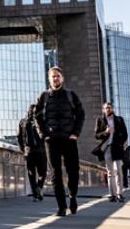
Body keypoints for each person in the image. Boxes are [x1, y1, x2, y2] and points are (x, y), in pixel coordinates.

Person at [33, 66, 85, 217]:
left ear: (62, 78)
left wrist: (76, 133)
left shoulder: (70, 95)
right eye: (53, 76)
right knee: (55, 173)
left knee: (73, 170)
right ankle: (61, 207)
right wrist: (43, 134)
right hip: (52, 140)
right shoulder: (43, 96)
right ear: (49, 79)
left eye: (58, 76)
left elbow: (81, 114)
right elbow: (37, 117)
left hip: (69, 139)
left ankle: (73, 196)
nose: (55, 79)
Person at [94, 102, 128, 202]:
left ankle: (119, 194)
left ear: (112, 109)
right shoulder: (100, 120)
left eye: (109, 108)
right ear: (103, 110)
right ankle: (112, 195)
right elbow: (96, 135)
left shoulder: (119, 119)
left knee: (119, 171)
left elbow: (125, 134)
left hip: (117, 148)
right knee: (110, 172)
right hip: (107, 148)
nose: (108, 109)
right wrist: (106, 132)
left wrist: (121, 143)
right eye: (106, 108)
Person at [18, 103, 47, 201]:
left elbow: (19, 137)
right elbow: (19, 137)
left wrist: (23, 149)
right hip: (35, 151)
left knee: (37, 173)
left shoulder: (25, 122)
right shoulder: (25, 122)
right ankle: (37, 191)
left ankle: (37, 191)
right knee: (37, 173)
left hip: (35, 151)